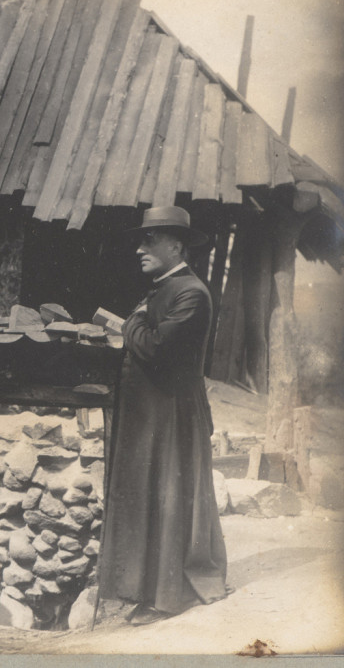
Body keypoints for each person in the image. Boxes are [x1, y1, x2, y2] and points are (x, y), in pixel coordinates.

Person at [99, 206, 229, 625]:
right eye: (141, 241)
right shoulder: (162, 288)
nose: (140, 249)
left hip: (173, 412)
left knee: (170, 500)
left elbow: (155, 347)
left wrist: (130, 323)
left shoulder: (191, 292)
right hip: (150, 412)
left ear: (176, 245)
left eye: (149, 241)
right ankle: (142, 590)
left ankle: (170, 597)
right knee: (146, 494)